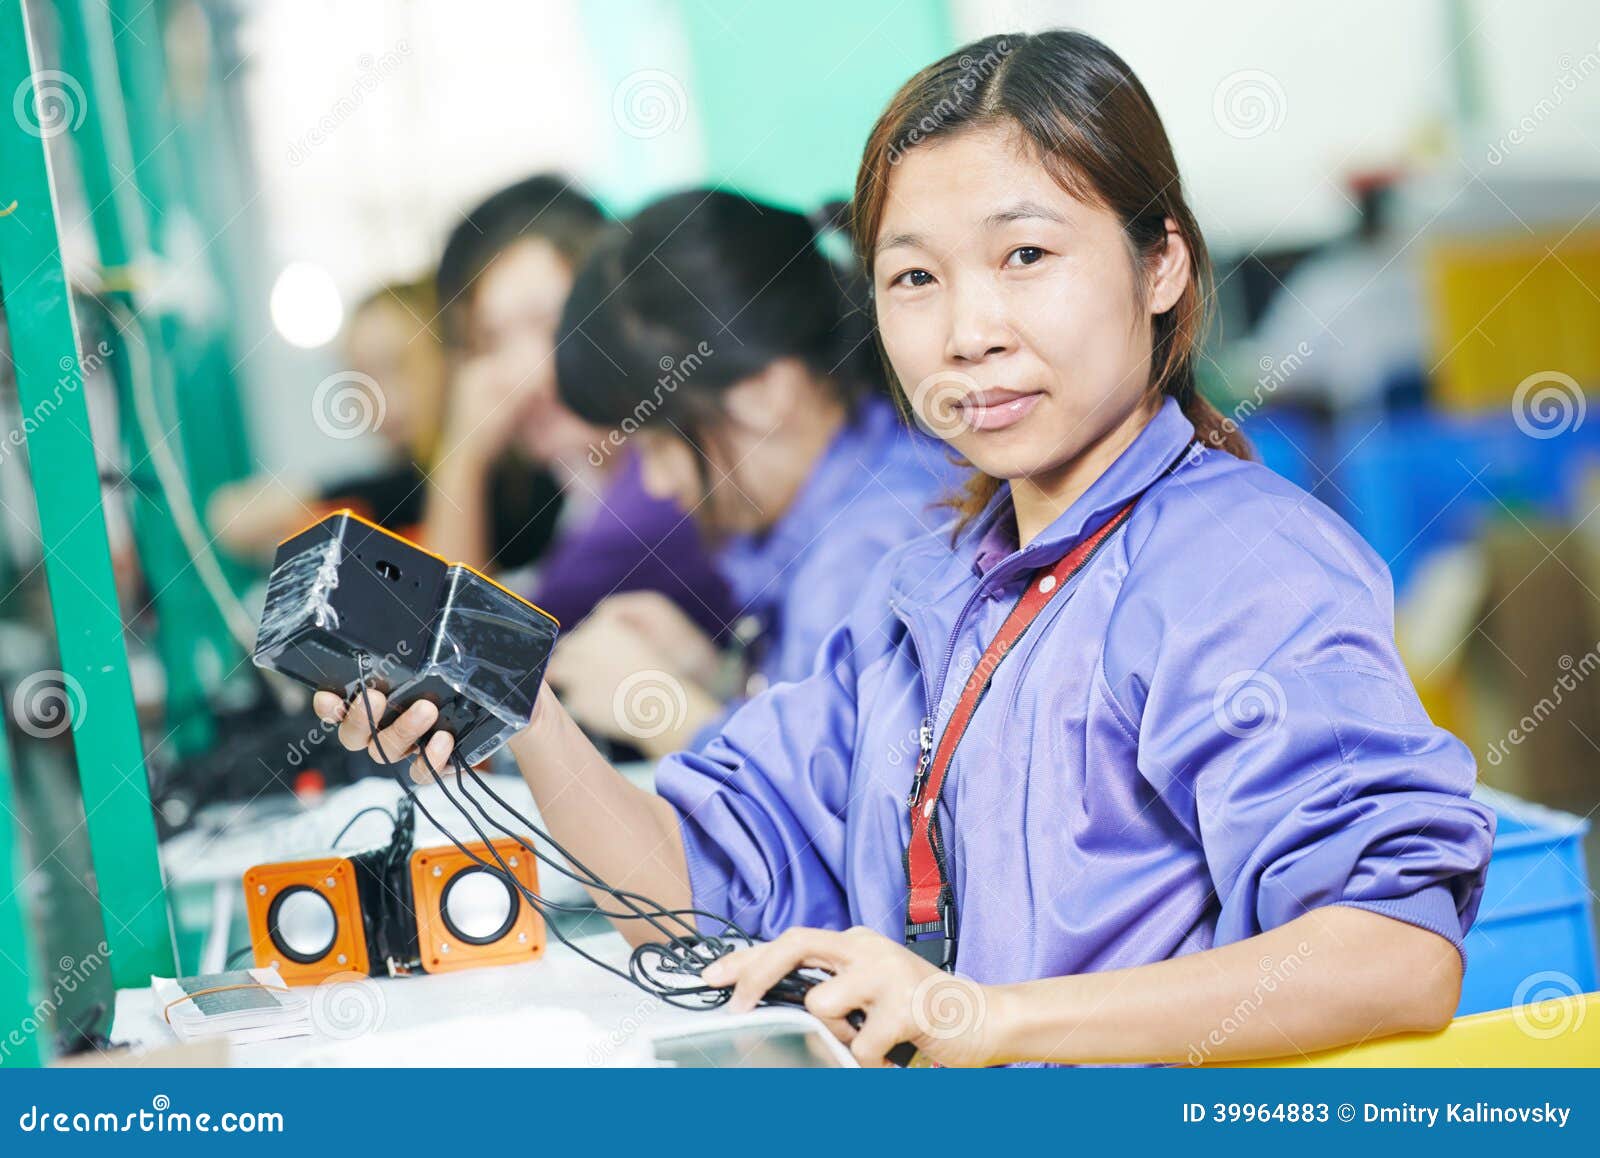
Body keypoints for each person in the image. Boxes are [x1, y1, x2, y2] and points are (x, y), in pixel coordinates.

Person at [317, 31, 1494, 1068]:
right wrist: (523, 713)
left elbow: (1392, 956)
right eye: (915, 278)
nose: (969, 332)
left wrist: (981, 1017)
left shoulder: (1234, 567)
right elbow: (686, 892)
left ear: (1161, 264)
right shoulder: (928, 590)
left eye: (1025, 257)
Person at [540, 190, 957, 755]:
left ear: (763, 392)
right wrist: (719, 679)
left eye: (660, 444)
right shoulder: (861, 502)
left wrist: (672, 715)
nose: (658, 484)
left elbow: (861, 827)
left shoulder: (882, 550)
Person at [422, 175, 733, 636]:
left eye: (548, 323)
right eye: (488, 341)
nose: (519, 372)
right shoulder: (588, 478)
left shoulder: (644, 507)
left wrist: (461, 458)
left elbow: (459, 649)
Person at [208, 279, 458, 555]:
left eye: (397, 366)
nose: (381, 401)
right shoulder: (390, 494)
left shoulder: (481, 476)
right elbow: (232, 520)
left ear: (447, 355)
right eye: (361, 382)